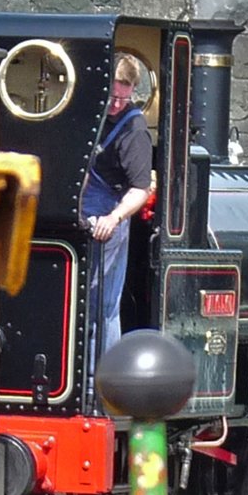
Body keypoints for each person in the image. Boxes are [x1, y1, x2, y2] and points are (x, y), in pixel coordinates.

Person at [83, 54, 152, 386]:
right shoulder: (91, 112)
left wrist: (114, 217)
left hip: (110, 213)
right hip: (83, 210)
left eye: (122, 98)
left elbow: (141, 188)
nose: (115, 103)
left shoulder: (135, 129)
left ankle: (103, 382)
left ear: (133, 91)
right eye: (111, 96)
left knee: (103, 305)